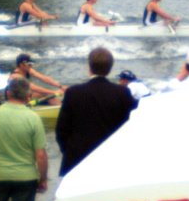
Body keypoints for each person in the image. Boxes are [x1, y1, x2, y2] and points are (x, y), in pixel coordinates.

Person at [56, 47, 136, 176]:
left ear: (89, 67)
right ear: (110, 68)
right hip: (110, 159)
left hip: (77, 158)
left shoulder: (73, 93)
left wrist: (69, 150)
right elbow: (130, 125)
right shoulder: (122, 93)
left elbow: (61, 130)